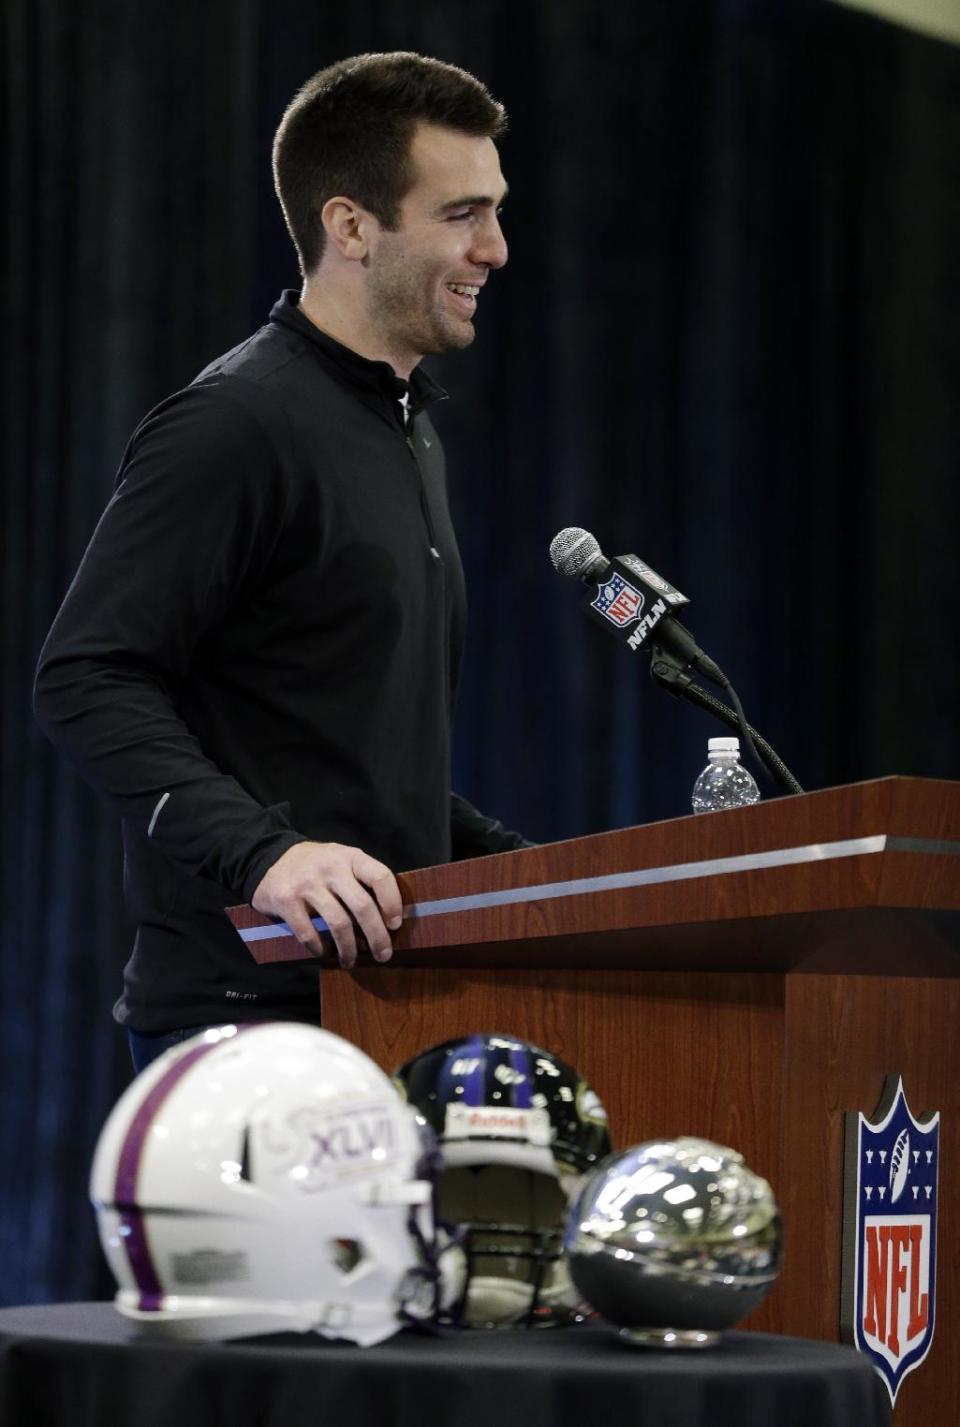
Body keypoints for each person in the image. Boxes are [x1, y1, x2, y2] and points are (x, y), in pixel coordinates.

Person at [33, 52, 529, 1071]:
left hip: (385, 1002)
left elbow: (336, 755)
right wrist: (267, 855)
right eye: (462, 214)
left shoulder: (408, 431)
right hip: (240, 1020)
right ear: (350, 226)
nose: (497, 247)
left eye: (495, 211)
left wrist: (530, 868)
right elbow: (86, 674)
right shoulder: (236, 421)